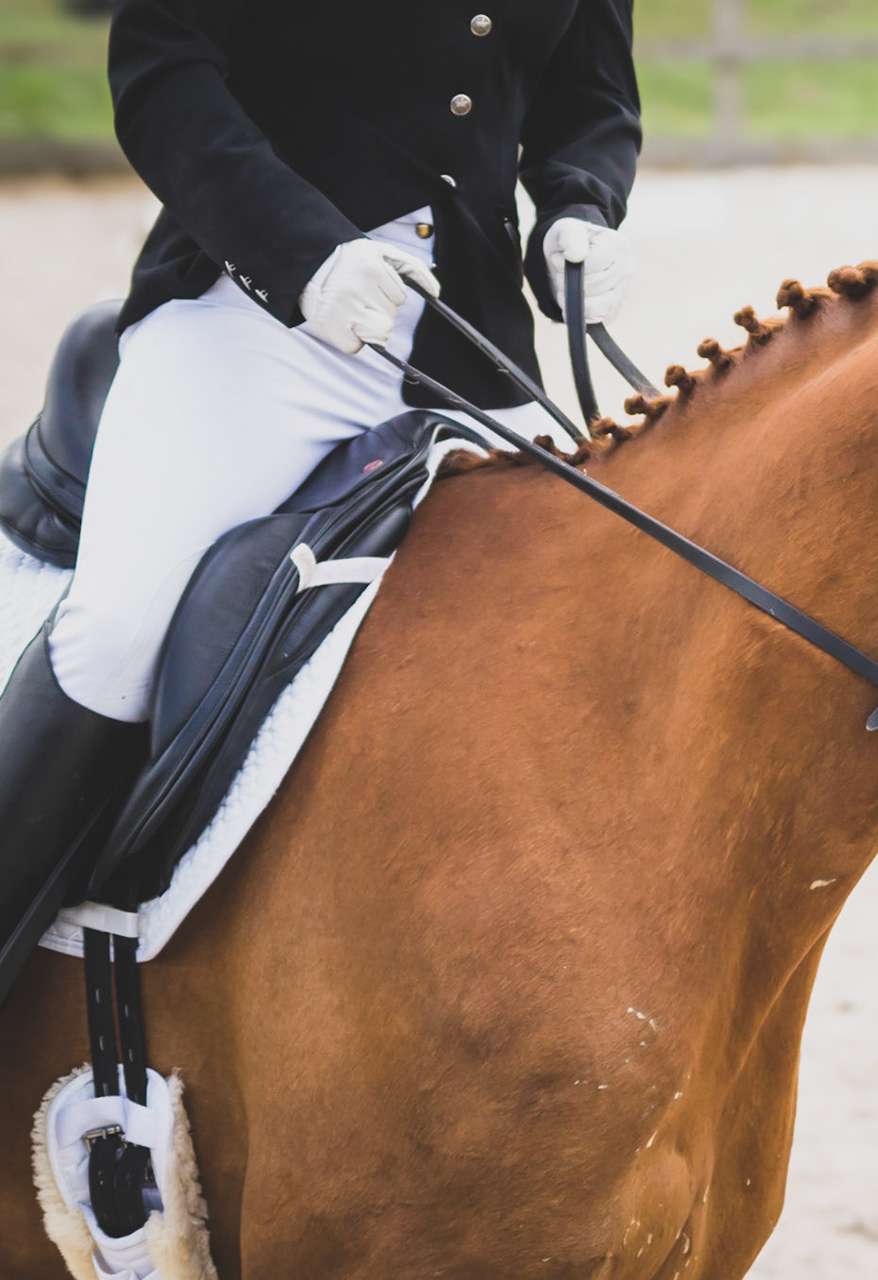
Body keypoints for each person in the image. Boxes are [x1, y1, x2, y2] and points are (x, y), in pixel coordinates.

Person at [0, 0, 642, 1000]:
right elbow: (162, 70)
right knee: (119, 629)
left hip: (466, 343)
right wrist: (305, 253)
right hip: (256, 317)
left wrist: (581, 206)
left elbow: (589, 95)